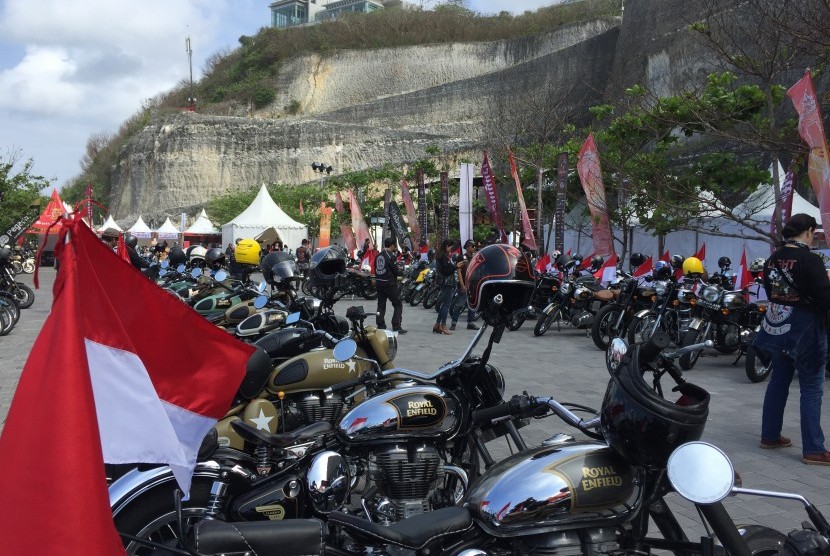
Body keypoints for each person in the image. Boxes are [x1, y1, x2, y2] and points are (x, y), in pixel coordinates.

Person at [754, 213, 830, 465]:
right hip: (807, 329)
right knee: (811, 387)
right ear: (809, 231)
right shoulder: (811, 260)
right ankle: (813, 449)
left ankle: (770, 435)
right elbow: (824, 299)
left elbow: (771, 291)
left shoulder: (773, 259)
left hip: (779, 326)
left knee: (779, 380)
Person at [374, 237, 406, 334]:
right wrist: (401, 272)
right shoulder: (390, 256)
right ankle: (396, 325)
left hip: (379, 283)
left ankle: (380, 324)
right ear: (392, 245)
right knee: (398, 303)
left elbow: (376, 269)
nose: (395, 247)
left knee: (381, 305)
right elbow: (395, 271)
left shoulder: (378, 255)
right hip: (389, 284)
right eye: (395, 246)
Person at [450, 239, 479, 331]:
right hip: (464, 285)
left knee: (472, 305)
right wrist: (462, 285)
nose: (474, 248)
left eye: (474, 246)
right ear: (467, 247)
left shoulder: (476, 258)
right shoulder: (462, 257)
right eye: (472, 246)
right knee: (459, 304)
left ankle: (470, 323)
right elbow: (459, 272)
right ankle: (454, 323)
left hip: (473, 285)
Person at [433, 239, 456, 335]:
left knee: (444, 304)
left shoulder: (440, 255)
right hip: (447, 282)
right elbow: (446, 271)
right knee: (446, 304)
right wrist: (455, 266)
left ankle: (437, 325)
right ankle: (443, 326)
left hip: (442, 282)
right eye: (451, 247)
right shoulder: (443, 257)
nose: (451, 249)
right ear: (447, 246)